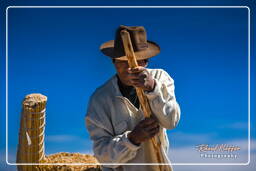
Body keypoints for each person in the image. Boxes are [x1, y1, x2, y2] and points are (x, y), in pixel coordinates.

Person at [85, 25, 181, 171]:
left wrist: (153, 88)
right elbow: (101, 155)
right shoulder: (100, 99)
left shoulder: (161, 78)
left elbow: (171, 121)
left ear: (146, 62)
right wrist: (132, 139)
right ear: (114, 62)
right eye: (123, 61)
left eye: (137, 61)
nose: (130, 67)